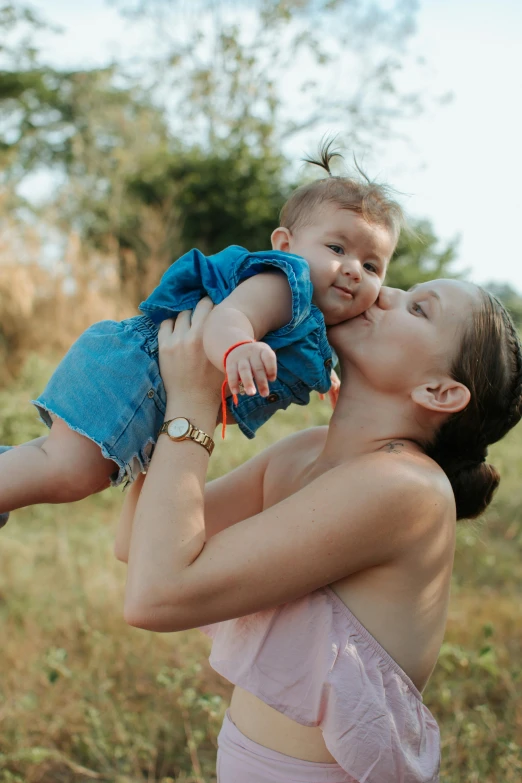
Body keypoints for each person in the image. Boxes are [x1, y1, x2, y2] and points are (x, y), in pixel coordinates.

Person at [116, 282, 522, 783]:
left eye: (418, 309)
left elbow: (155, 597)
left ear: (439, 392)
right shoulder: (305, 451)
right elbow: (135, 542)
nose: (381, 292)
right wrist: (165, 386)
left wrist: (194, 403)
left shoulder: (407, 487)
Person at [0, 145, 401, 528]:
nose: (353, 269)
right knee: (71, 473)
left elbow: (293, 350)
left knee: (51, 459)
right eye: (336, 248)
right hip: (139, 374)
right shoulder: (286, 284)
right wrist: (239, 346)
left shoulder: (313, 324)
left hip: (141, 380)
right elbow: (229, 318)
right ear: (286, 244)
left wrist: (326, 377)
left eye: (371, 265)